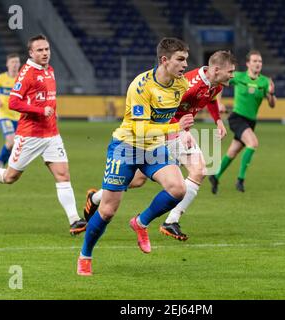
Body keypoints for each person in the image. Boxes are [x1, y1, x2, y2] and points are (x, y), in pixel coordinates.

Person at [83, 50, 237, 241]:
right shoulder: (189, 84)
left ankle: (170, 220)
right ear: (215, 70)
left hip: (178, 131)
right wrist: (181, 132)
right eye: (230, 71)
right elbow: (166, 108)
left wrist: (218, 121)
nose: (232, 75)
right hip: (166, 131)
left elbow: (212, 99)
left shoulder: (216, 85)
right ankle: (100, 199)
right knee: (143, 179)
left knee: (194, 171)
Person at [77, 37, 193, 276]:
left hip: (153, 147)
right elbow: (140, 130)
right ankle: (85, 255)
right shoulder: (140, 86)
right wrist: (176, 129)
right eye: (180, 59)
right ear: (164, 60)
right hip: (126, 146)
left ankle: (140, 223)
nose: (184, 65)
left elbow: (182, 107)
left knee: (178, 188)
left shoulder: (180, 85)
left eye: (186, 60)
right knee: (108, 211)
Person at [0, 34, 87, 236]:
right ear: (31, 53)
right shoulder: (26, 74)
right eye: (40, 50)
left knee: (63, 175)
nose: (45, 53)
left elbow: (47, 98)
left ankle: (74, 221)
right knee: (10, 177)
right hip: (30, 135)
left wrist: (52, 111)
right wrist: (40, 111)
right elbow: (13, 102)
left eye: (47, 49)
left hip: (52, 134)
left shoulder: (50, 70)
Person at [209, 50, 276, 193]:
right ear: (248, 63)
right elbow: (220, 83)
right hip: (237, 118)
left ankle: (215, 176)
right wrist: (219, 103)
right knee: (253, 143)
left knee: (232, 152)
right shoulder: (238, 76)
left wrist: (270, 93)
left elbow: (272, 104)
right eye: (255, 61)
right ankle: (240, 180)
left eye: (260, 61)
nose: (258, 64)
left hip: (251, 121)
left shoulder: (264, 81)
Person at [0, 53, 21, 168]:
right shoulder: (0, 78)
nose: (15, 65)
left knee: (16, 145)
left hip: (20, 117)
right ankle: (0, 161)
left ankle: (4, 163)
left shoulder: (23, 79)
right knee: (11, 141)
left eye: (17, 62)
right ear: (7, 64)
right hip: (4, 115)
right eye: (12, 62)